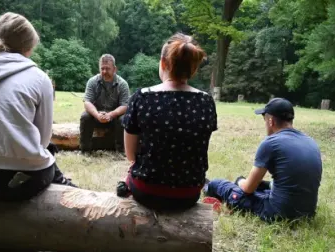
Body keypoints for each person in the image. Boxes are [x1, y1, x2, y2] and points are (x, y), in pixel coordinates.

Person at [0, 12, 76, 202]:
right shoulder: (38, 77)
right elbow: (43, 141)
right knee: (47, 150)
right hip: (20, 181)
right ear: (27, 47)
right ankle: (65, 185)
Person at [118, 33, 217, 210]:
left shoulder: (141, 97)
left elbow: (131, 156)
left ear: (163, 63)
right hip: (188, 194)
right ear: (193, 68)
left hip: (146, 191)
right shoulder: (206, 102)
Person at [204, 98, 322, 222]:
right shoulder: (311, 142)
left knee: (219, 184)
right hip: (307, 213)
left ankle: (207, 187)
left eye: (264, 119)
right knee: (261, 185)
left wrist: (240, 181)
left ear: (270, 121)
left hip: (279, 213)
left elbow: (248, 188)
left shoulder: (271, 143)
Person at [80, 54, 130, 153]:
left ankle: (121, 150)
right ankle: (85, 150)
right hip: (97, 115)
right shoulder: (92, 81)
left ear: (114, 69)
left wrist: (111, 115)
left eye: (107, 69)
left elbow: (125, 105)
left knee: (124, 118)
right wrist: (97, 115)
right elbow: (87, 102)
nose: (104, 72)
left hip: (115, 117)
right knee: (85, 116)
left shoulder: (123, 84)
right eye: (102, 69)